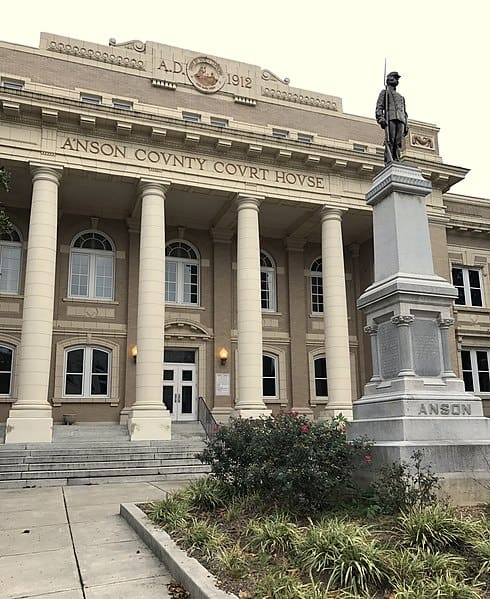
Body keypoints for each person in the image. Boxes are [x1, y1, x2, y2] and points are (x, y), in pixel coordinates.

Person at [375, 71, 408, 164]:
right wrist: (380, 118)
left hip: (401, 119)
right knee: (391, 140)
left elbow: (405, 112)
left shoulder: (401, 97)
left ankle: (397, 159)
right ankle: (389, 160)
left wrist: (406, 124)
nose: (396, 80)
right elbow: (379, 107)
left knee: (398, 142)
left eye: (397, 78)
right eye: (394, 77)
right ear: (389, 79)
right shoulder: (384, 92)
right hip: (390, 118)